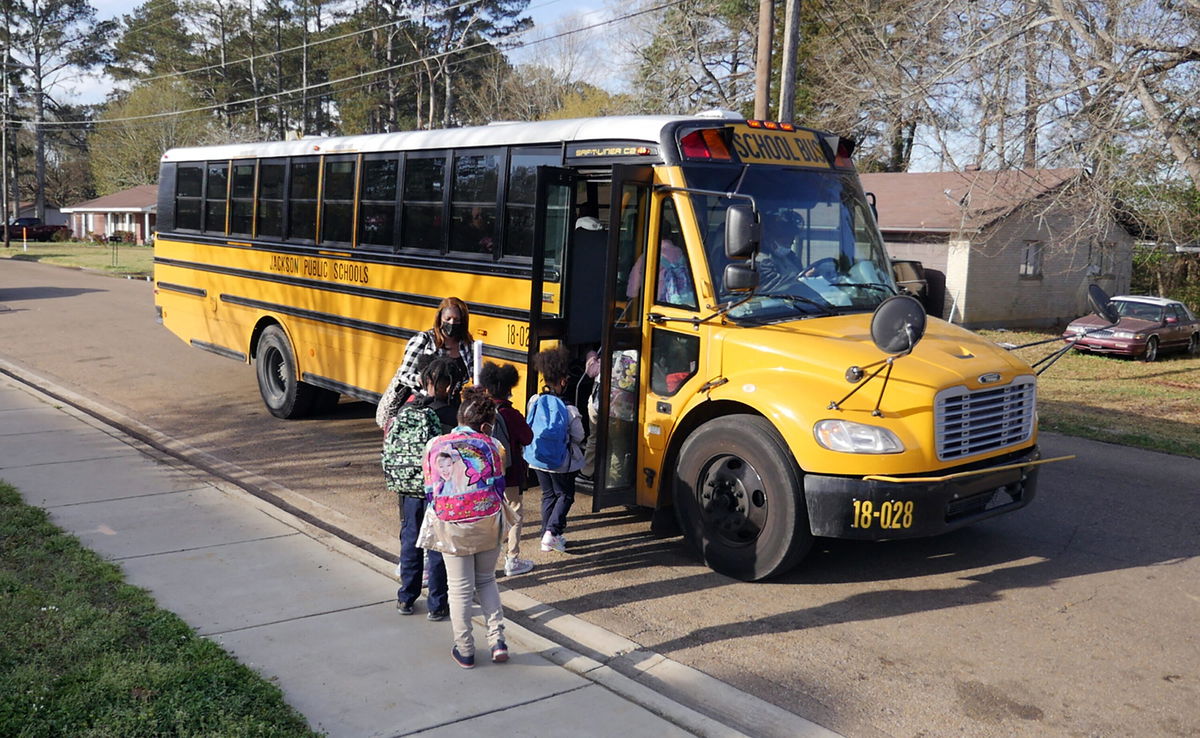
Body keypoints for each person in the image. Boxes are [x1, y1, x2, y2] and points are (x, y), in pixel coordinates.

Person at [419, 387, 510, 669]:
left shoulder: (435, 445)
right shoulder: (494, 446)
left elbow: (429, 490)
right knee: (486, 581)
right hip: (487, 523)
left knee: (458, 590)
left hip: (451, 526)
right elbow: (499, 484)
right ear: (485, 425)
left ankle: (466, 650)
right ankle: (497, 641)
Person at [381, 356, 458, 621]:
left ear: (424, 380)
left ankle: (406, 598)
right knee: (435, 545)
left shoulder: (407, 408)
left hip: (408, 486)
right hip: (436, 491)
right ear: (450, 386)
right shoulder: (449, 414)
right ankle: (437, 604)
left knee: (411, 540)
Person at [376, 296, 474, 431]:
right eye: (448, 319)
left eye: (457, 320)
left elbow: (473, 374)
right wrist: (422, 380)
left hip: (452, 404)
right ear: (440, 319)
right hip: (423, 403)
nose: (452, 323)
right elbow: (403, 374)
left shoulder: (467, 344)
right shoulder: (423, 340)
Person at [524, 346, 585, 554]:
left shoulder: (535, 400)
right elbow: (579, 436)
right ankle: (552, 531)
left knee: (548, 495)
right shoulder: (569, 409)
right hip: (561, 462)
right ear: (562, 381)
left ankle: (545, 535)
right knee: (565, 495)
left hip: (537, 459)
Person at [479, 362, 535, 577]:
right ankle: (512, 559)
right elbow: (527, 438)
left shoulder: (479, 411)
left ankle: (486, 561)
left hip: (483, 475)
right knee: (514, 515)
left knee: (488, 516)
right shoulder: (510, 414)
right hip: (509, 474)